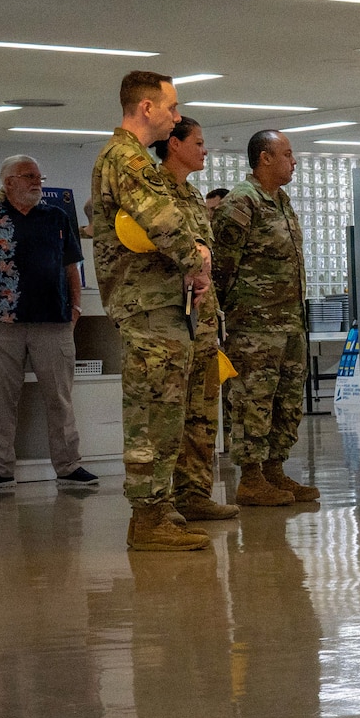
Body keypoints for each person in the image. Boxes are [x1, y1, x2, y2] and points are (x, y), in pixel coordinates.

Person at [89, 70, 211, 552]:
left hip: (158, 303)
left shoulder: (127, 156)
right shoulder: (126, 158)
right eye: (171, 107)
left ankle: (159, 509)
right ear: (146, 108)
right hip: (146, 305)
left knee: (165, 411)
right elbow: (161, 221)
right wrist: (196, 261)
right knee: (152, 413)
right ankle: (148, 517)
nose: (176, 117)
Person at [0, 154, 99, 493]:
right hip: (1, 325)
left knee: (60, 399)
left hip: (53, 323)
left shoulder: (57, 217)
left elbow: (71, 269)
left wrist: (75, 308)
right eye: (29, 176)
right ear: (9, 183)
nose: (37, 182)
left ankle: (68, 466)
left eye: (39, 176)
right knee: (1, 401)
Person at [213, 130, 319, 507]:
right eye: (287, 154)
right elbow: (221, 268)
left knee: (286, 401)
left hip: (289, 322)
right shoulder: (242, 202)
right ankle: (251, 477)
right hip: (253, 327)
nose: (294, 161)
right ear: (265, 158)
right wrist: (225, 320)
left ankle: (274, 470)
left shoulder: (281, 201)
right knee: (252, 400)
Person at [152, 116, 239, 522]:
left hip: (202, 318)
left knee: (202, 411)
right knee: (167, 411)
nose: (205, 150)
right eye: (199, 142)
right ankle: (158, 502)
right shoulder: (153, 193)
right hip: (168, 318)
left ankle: (195, 493)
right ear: (174, 144)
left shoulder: (191, 195)